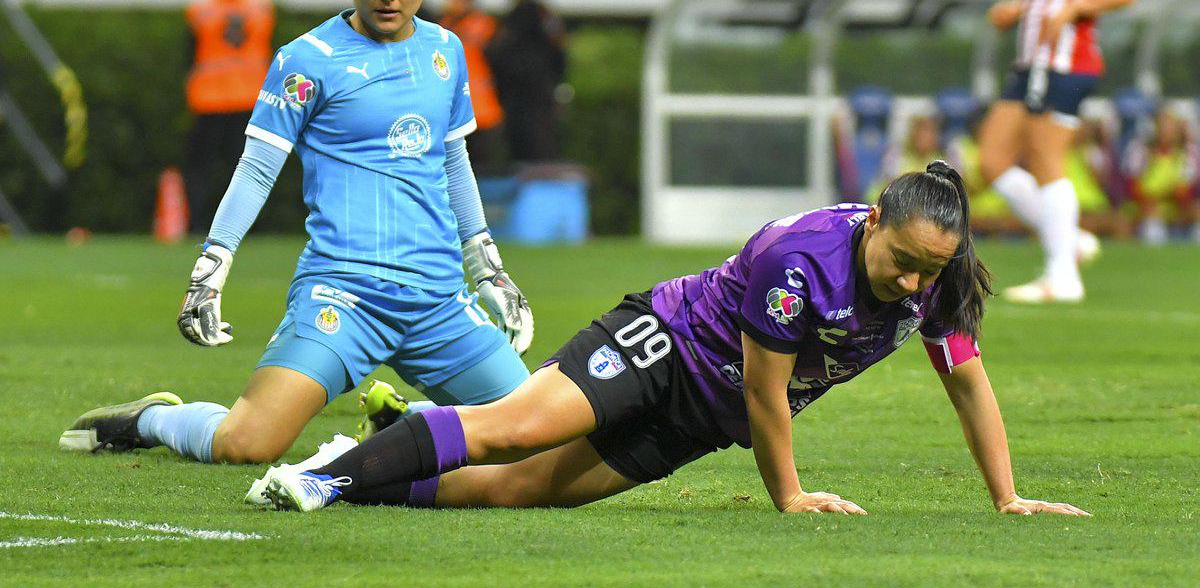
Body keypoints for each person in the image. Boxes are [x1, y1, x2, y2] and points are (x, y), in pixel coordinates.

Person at [260, 163, 1088, 519]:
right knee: (511, 428)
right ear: (874, 220)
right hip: (665, 342)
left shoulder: (939, 279)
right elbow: (769, 393)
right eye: (902, 263)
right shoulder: (797, 259)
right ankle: (316, 478)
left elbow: (970, 386)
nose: (913, 284)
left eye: (927, 273)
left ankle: (357, 466)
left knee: (518, 491)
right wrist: (791, 497)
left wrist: (1007, 498)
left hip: (705, 416)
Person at [59, 0, 535, 477]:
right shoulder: (307, 60)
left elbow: (453, 160)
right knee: (248, 444)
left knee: (537, 434)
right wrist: (211, 269)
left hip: (438, 299)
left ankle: (401, 424)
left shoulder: (446, 50)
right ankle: (153, 419)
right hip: (343, 295)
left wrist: (487, 266)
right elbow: (257, 169)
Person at [979, 0, 1139, 303]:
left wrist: (1074, 9)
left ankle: (1061, 276)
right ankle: (1066, 241)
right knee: (991, 160)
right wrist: (1021, 8)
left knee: (1047, 159)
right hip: (1033, 59)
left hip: (1069, 61)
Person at [182, 0, 275, 234]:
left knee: (199, 167)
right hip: (248, 97)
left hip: (209, 99)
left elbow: (189, 55)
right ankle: (248, 225)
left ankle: (197, 224)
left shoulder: (201, 11)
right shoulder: (261, 9)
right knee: (247, 166)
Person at [484, 0, 567, 163]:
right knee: (517, 147)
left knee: (538, 147)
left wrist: (553, 82)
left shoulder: (539, 12)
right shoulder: (510, 15)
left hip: (536, 95)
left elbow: (558, 48)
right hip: (513, 95)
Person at [438, 0, 506, 173]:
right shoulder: (441, 27)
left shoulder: (486, 27)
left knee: (482, 172)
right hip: (452, 114)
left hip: (484, 114)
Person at [1124, 108, 1200, 244]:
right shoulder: (1140, 151)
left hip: (1175, 205)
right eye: (1162, 126)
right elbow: (1133, 187)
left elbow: (1184, 192)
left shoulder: (1187, 154)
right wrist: (1153, 199)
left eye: (1171, 128)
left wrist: (1167, 195)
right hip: (1145, 204)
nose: (1166, 132)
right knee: (1151, 213)